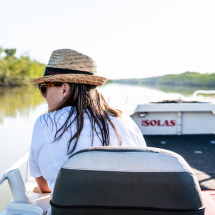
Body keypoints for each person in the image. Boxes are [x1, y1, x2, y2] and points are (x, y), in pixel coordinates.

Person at [29, 49, 146, 196]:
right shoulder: (124, 119)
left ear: (64, 88)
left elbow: (45, 186)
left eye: (44, 87)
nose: (44, 95)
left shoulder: (45, 123)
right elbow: (143, 170)